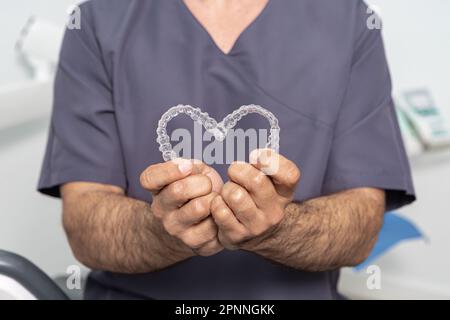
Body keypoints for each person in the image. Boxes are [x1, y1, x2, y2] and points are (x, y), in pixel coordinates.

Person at [38, 0, 415, 299]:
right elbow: (84, 223)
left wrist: (275, 230)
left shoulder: (350, 23)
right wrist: (164, 230)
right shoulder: (95, 24)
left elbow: (362, 222)